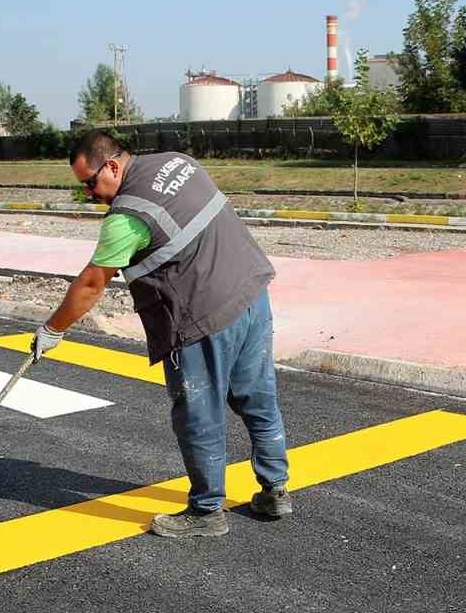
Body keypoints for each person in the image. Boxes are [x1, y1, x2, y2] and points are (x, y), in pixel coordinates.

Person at [33, 131, 290, 539]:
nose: (88, 194)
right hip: (251, 295)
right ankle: (275, 490)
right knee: (257, 398)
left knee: (198, 416)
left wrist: (53, 329)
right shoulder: (178, 161)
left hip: (201, 317)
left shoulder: (127, 216)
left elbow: (92, 284)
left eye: (90, 183)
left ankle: (207, 511)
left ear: (113, 166)